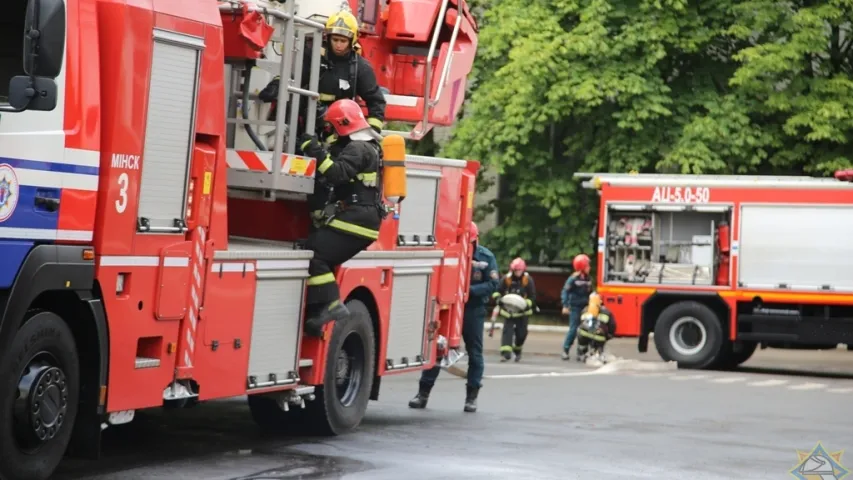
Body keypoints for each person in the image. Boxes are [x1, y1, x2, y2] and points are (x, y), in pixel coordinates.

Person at [297, 98, 386, 335]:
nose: (329, 132)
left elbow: (336, 174)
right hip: (361, 219)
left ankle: (332, 305)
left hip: (357, 219)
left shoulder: (358, 148)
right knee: (321, 253)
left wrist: (313, 150)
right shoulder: (369, 146)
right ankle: (317, 317)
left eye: (330, 127)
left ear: (341, 125)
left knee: (315, 254)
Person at [407, 222, 499, 413]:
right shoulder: (451, 253)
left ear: (476, 239)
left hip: (472, 310)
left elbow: (493, 284)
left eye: (470, 241)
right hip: (448, 307)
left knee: (475, 353)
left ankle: (471, 397)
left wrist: (468, 291)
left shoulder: (485, 257)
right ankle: (422, 394)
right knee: (438, 348)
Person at [258, 8, 387, 141]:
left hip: (340, 128)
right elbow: (294, 76)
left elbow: (376, 101)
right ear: (328, 37)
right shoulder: (313, 56)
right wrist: (277, 84)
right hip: (306, 121)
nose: (338, 45)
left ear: (352, 40)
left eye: (343, 41)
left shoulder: (360, 67)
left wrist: (372, 132)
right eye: (335, 39)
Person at [492, 257, 536, 362]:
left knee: (522, 334)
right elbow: (497, 291)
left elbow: (532, 297)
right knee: (507, 332)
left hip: (523, 312)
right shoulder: (506, 279)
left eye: (520, 270)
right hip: (509, 312)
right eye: (516, 270)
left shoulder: (527, 280)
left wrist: (526, 304)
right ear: (512, 270)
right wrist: (498, 299)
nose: (518, 272)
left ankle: (517, 350)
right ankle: (505, 354)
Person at [560, 253, 592, 360]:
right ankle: (565, 349)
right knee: (573, 330)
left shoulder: (588, 278)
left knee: (585, 330)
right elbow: (565, 291)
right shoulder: (573, 278)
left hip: (585, 308)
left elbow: (590, 292)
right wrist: (565, 305)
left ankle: (581, 352)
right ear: (582, 267)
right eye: (587, 266)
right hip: (575, 307)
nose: (589, 268)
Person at [576, 292, 616, 363]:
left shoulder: (585, 309)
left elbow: (580, 321)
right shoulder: (607, 311)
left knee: (582, 343)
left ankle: (581, 354)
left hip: (583, 332)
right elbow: (612, 325)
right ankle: (598, 354)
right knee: (599, 346)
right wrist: (609, 335)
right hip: (599, 334)